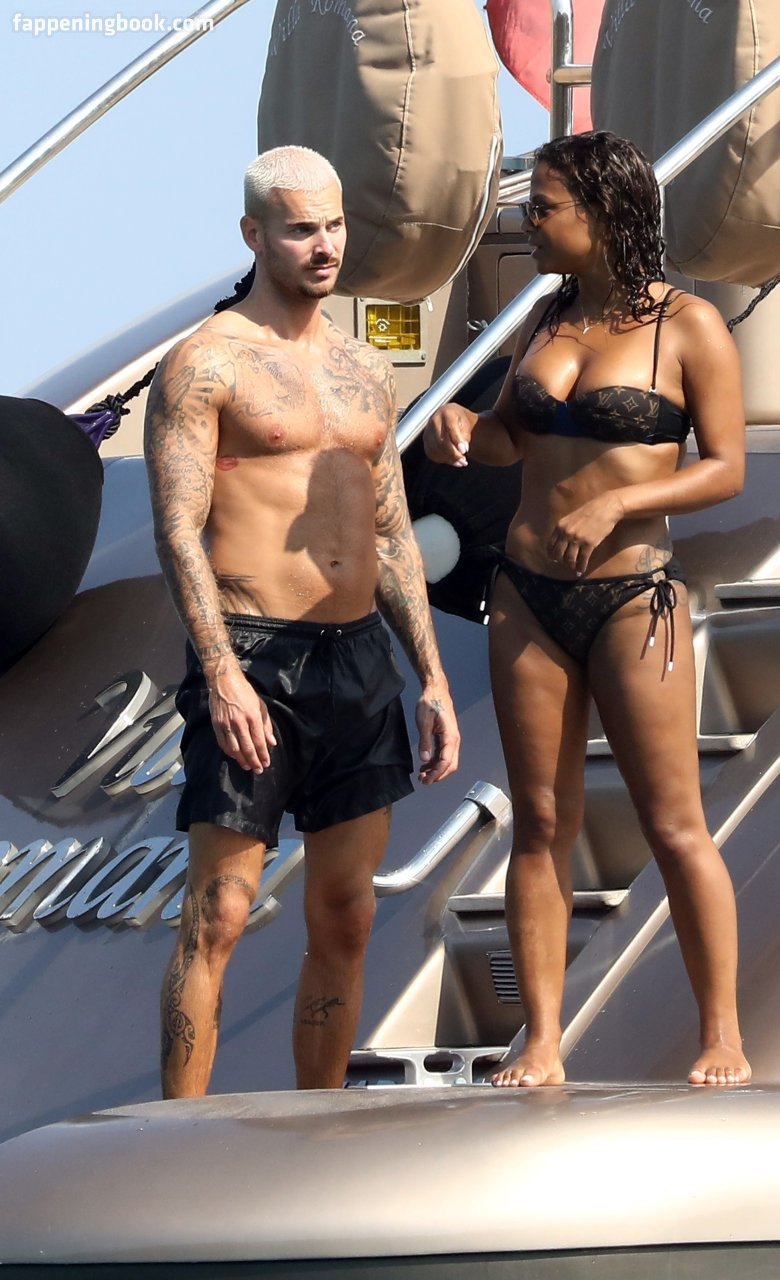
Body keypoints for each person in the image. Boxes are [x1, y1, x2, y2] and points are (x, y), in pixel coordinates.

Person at [424, 131, 751, 1088]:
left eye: (544, 208)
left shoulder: (688, 326)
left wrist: (619, 504)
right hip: (526, 592)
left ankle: (722, 1033)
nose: (529, 223)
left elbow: (725, 469)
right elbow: (506, 443)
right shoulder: (545, 318)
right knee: (537, 821)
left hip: (632, 597)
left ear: (603, 214)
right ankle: (539, 1041)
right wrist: (461, 430)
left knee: (671, 822)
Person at [145, 144, 460, 1098]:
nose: (324, 246)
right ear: (253, 234)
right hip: (254, 653)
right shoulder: (205, 363)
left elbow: (391, 530)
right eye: (299, 230)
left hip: (357, 657)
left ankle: (317, 1122)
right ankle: (176, 1136)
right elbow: (178, 529)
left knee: (347, 913)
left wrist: (431, 676)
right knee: (220, 913)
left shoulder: (364, 368)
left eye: (333, 225)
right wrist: (220, 672)